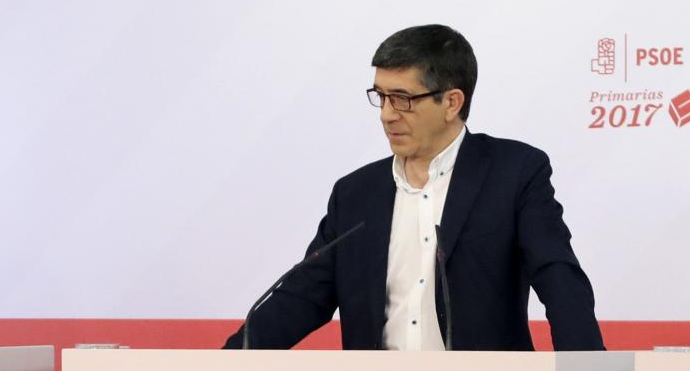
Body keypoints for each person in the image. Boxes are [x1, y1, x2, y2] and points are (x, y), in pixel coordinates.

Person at [225, 24, 603, 351]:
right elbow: (302, 297)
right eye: (381, 96)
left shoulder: (513, 172)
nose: (387, 114)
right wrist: (218, 366)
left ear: (452, 102)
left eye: (402, 99)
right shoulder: (356, 194)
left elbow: (558, 276)